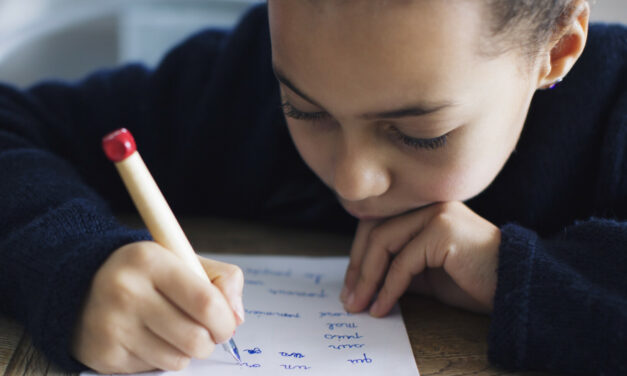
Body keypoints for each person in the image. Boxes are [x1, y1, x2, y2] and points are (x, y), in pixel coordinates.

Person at [0, 0, 625, 374]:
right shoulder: (238, 85)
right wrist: (76, 265)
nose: (352, 179)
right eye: (304, 110)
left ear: (555, 50)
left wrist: (516, 273)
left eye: (420, 132)